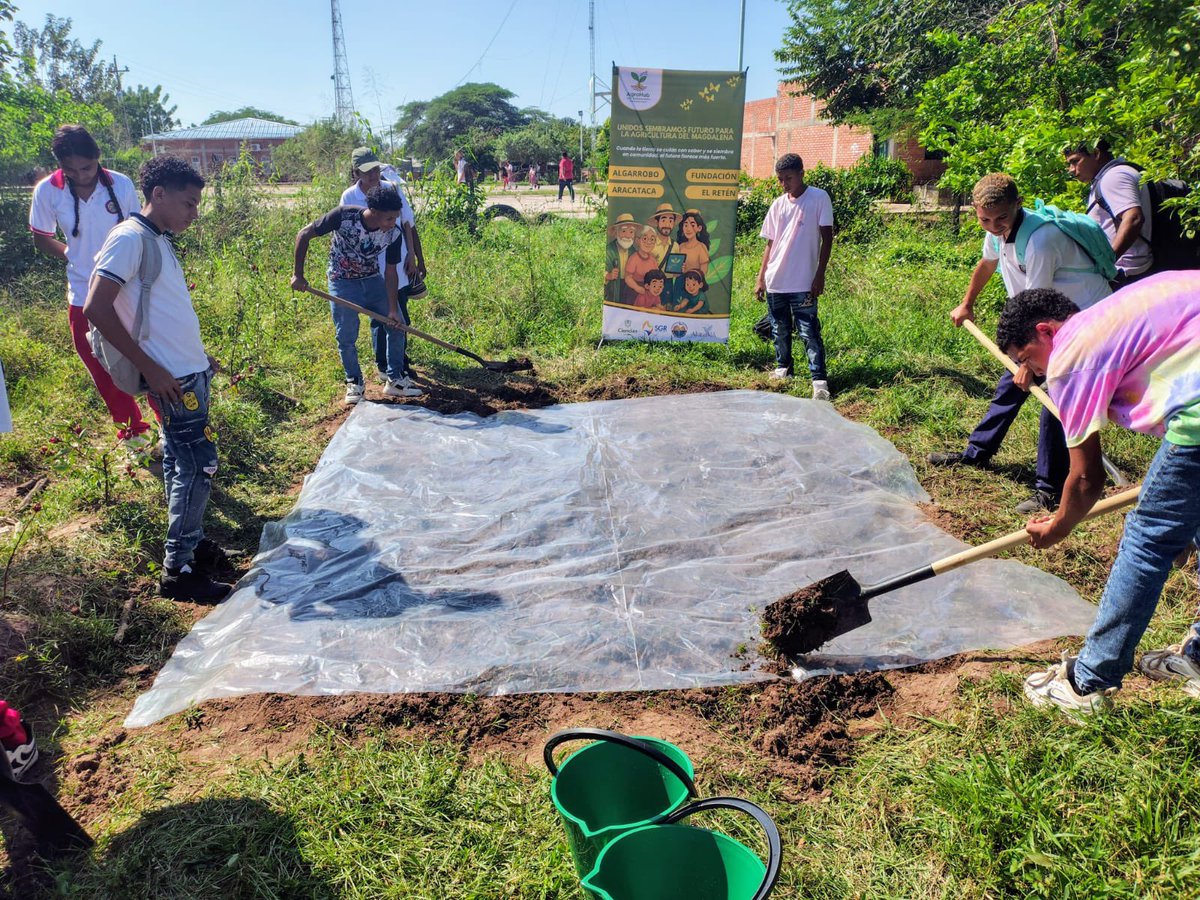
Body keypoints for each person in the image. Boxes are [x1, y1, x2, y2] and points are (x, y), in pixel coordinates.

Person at [995, 273, 1200, 716]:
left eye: (1028, 358)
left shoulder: (1072, 353)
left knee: (1148, 540)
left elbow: (1088, 478)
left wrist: (1058, 527)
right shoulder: (1117, 312)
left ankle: (1087, 682)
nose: (1036, 373)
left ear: (1046, 331)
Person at [85, 157, 232, 602]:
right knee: (198, 464)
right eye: (189, 203)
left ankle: (191, 544)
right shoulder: (130, 239)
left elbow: (164, 312)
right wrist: (151, 368)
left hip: (186, 371)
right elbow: (96, 307)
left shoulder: (157, 239)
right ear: (159, 194)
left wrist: (199, 356)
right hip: (172, 378)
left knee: (176, 461)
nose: (194, 213)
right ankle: (178, 569)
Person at [927, 173, 1112, 513]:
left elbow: (1035, 305)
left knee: (1054, 400)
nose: (993, 226)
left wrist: (1028, 363)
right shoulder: (998, 231)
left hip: (1085, 324)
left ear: (1018, 205)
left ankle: (1048, 490)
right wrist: (967, 303)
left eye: (1000, 218)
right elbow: (987, 265)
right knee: (1010, 387)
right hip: (1047, 323)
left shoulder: (1041, 240)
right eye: (985, 219)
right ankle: (976, 454)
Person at [29, 125, 157, 455]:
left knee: (151, 358)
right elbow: (41, 238)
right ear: (60, 165)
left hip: (127, 291)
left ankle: (171, 426)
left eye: (86, 168)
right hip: (83, 294)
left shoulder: (120, 184)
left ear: (97, 158)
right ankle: (135, 436)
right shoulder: (48, 190)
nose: (80, 176)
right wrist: (71, 254)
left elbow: (139, 232)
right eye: (70, 170)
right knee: (102, 367)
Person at [292, 185, 418, 404]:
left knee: (398, 324)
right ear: (374, 211)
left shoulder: (394, 233)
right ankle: (355, 382)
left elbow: (390, 272)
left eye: (395, 218)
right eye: (389, 218)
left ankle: (395, 380)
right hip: (342, 282)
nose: (393, 223)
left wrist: (391, 309)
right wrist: (298, 275)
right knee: (346, 336)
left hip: (372, 280)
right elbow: (303, 234)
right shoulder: (343, 216)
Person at [340, 148, 427, 389]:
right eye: (367, 171)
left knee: (399, 313)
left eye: (376, 170)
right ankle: (384, 366)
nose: (373, 175)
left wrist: (413, 255)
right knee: (379, 319)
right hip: (369, 268)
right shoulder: (349, 196)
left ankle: (399, 364)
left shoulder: (391, 189)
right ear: (356, 172)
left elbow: (407, 223)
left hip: (396, 261)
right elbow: (347, 232)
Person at [754, 154, 835, 401]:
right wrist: (761, 278)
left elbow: (827, 238)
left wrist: (819, 274)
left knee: (809, 331)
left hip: (804, 282)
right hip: (776, 280)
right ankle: (784, 369)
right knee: (779, 328)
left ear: (801, 173)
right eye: (780, 179)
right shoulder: (778, 204)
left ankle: (819, 380)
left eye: (788, 178)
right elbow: (770, 243)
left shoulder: (819, 198)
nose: (784, 184)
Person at [1063, 140, 1153, 288]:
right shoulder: (1118, 173)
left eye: (1075, 161)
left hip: (1129, 274)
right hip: (1134, 272)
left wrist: (1107, 263)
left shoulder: (1113, 177)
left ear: (1096, 153)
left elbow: (1133, 218)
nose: (1071, 170)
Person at [622, 225, 664, 304]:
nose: (648, 242)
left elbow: (657, 277)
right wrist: (637, 288)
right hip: (634, 292)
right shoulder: (634, 258)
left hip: (649, 292)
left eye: (652, 239)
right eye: (645, 238)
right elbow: (628, 278)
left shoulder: (653, 260)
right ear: (638, 241)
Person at [605, 213, 638, 303]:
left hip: (628, 288)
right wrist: (608, 276)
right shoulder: (608, 251)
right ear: (616, 233)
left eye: (631, 232)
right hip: (613, 288)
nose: (628, 236)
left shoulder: (634, 252)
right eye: (623, 231)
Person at [675, 209, 711, 277]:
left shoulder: (701, 247)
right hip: (680, 281)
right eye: (685, 225)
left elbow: (703, 272)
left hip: (694, 281)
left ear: (699, 228)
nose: (688, 229)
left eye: (692, 225)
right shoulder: (681, 246)